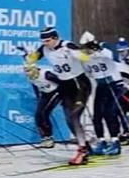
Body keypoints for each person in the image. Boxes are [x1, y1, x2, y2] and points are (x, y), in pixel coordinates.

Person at [32, 27, 95, 165]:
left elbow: (84, 57)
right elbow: (32, 58)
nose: (45, 43)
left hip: (80, 85)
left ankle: (82, 151)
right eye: (43, 41)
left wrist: (83, 55)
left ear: (55, 38)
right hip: (65, 87)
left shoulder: (67, 45)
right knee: (69, 120)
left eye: (47, 40)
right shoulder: (44, 49)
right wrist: (27, 58)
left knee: (74, 116)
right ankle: (85, 146)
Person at [79, 33, 125, 156]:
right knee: (97, 115)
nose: (86, 50)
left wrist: (98, 48)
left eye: (88, 47)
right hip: (101, 85)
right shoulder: (85, 58)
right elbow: (85, 70)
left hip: (114, 84)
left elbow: (114, 56)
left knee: (109, 112)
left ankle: (115, 142)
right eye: (84, 47)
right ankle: (101, 141)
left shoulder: (103, 51)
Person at [23, 48, 59, 147]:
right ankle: (45, 138)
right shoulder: (31, 77)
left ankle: (50, 138)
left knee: (44, 113)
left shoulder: (46, 74)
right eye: (25, 71)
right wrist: (39, 98)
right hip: (45, 93)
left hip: (56, 92)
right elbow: (35, 87)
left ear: (35, 68)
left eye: (29, 70)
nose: (27, 73)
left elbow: (62, 83)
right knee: (38, 115)